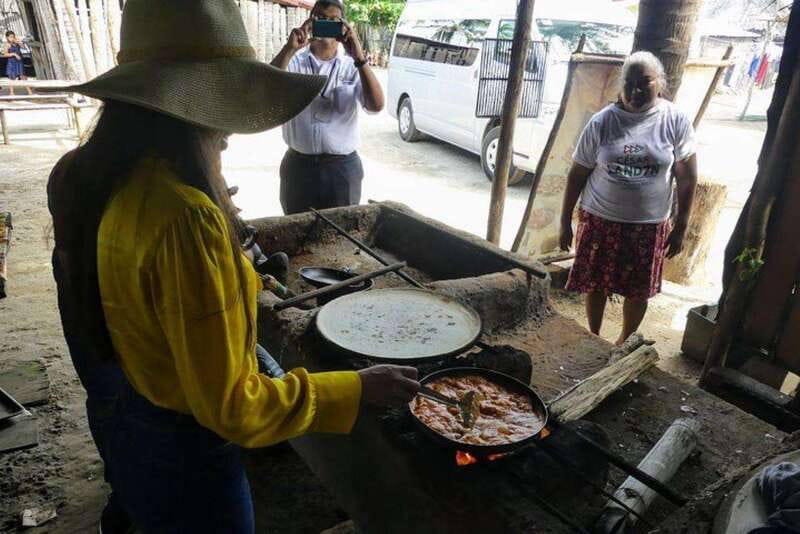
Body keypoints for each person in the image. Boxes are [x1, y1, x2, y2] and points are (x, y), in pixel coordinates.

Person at [46, 1, 419, 532]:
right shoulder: (185, 217)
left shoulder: (111, 175)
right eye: (224, 104)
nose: (228, 133)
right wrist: (358, 387)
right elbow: (236, 408)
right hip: (188, 451)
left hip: (138, 418)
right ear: (182, 107)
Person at [559, 51, 698, 346]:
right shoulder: (602, 122)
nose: (636, 90)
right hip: (601, 218)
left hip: (648, 225)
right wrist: (563, 222)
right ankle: (594, 337)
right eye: (630, 83)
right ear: (621, 85)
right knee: (597, 283)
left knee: (638, 290)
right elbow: (576, 175)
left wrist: (682, 225)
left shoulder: (674, 120)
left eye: (644, 82)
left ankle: (624, 340)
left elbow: (687, 177)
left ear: (659, 82)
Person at [271, 0, 385, 215]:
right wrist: (289, 48)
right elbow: (265, 87)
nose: (326, 23)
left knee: (341, 236)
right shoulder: (294, 61)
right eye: (321, 18)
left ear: (344, 27)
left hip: (342, 170)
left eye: (334, 20)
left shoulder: (353, 66)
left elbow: (376, 105)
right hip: (298, 167)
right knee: (296, 232)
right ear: (310, 21)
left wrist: (359, 58)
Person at [2, 31, 28, 96]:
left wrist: (19, 42)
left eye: (13, 36)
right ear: (7, 38)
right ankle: (11, 93)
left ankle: (29, 91)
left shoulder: (16, 43)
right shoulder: (7, 44)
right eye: (10, 37)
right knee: (12, 77)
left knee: (23, 76)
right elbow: (5, 54)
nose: (12, 38)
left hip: (19, 62)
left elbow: (24, 47)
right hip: (12, 62)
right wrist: (14, 54)